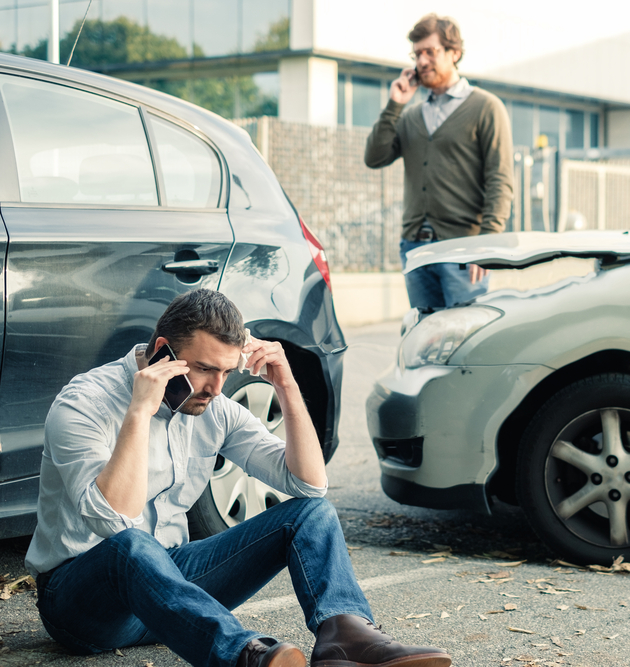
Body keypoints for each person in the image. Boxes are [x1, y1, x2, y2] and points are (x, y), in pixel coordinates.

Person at [24, 289, 451, 667]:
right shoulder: (84, 404)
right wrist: (140, 412)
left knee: (311, 514)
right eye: (206, 369)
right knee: (132, 543)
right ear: (162, 353)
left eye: (227, 372)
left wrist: (286, 385)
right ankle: (243, 656)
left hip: (172, 589)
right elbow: (114, 520)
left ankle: (344, 637)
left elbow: (308, 484)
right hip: (85, 604)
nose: (216, 387)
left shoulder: (214, 407)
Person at [365, 13, 514, 310]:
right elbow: (375, 157)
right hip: (415, 248)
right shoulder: (410, 115)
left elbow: (501, 180)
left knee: (467, 341)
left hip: (465, 248)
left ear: (453, 53)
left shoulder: (486, 107)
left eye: (430, 52)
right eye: (417, 54)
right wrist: (396, 104)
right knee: (427, 340)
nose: (422, 61)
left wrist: (486, 245)